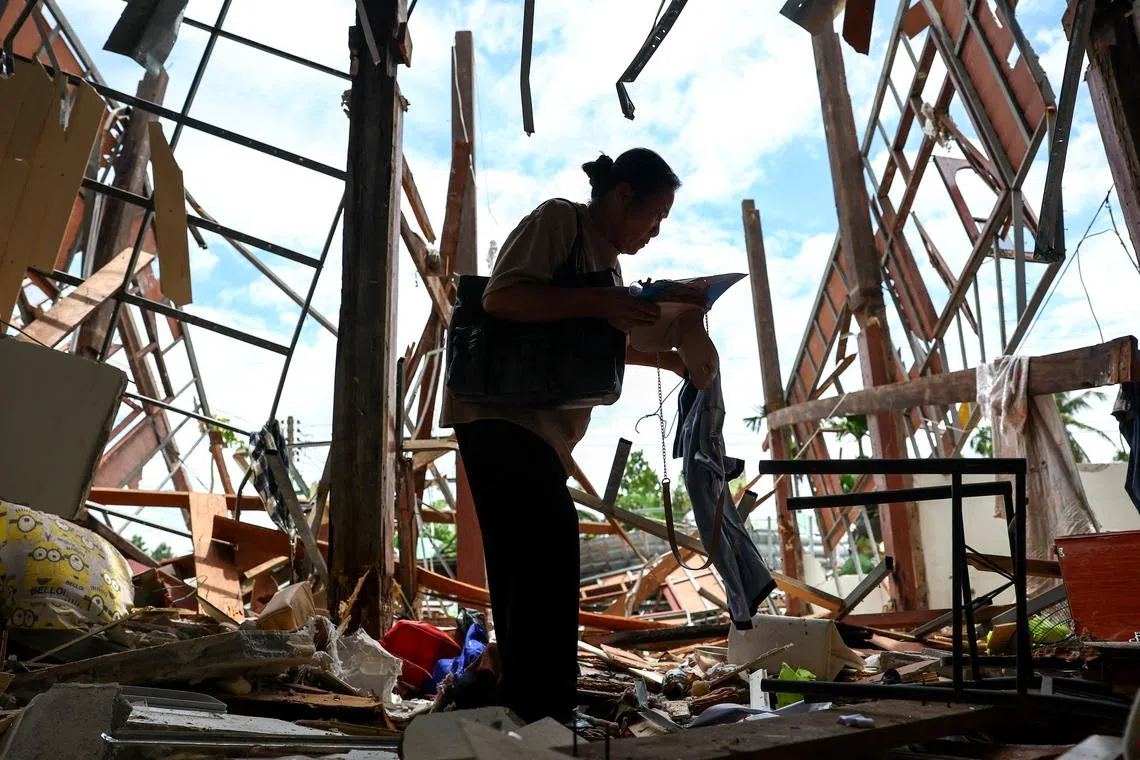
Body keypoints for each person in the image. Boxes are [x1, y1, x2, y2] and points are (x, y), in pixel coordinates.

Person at [440, 148, 689, 724]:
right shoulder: (561, 222)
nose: (654, 232)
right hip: (501, 418)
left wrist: (667, 356)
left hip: (541, 432)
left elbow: (581, 343)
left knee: (532, 560)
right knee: (543, 549)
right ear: (621, 194)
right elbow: (504, 296)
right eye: (653, 216)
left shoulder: (610, 268)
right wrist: (604, 301)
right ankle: (541, 707)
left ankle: (527, 701)